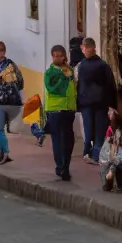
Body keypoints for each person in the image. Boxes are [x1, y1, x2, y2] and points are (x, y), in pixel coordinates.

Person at [76, 37, 118, 165]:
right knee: (99, 130)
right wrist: (112, 105)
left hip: (89, 103)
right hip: (99, 103)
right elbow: (111, 86)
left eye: (84, 48)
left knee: (90, 129)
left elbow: (80, 85)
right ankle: (95, 154)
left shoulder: (82, 65)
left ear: (89, 48)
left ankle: (88, 152)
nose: (84, 50)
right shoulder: (103, 65)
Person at [44, 44, 78, 181]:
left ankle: (66, 166)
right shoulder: (50, 72)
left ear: (65, 56)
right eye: (55, 55)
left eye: (60, 55)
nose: (58, 58)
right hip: (55, 110)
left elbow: (74, 86)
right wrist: (62, 78)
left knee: (69, 140)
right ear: (52, 57)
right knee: (58, 140)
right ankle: (60, 167)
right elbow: (51, 88)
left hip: (69, 110)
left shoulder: (70, 70)